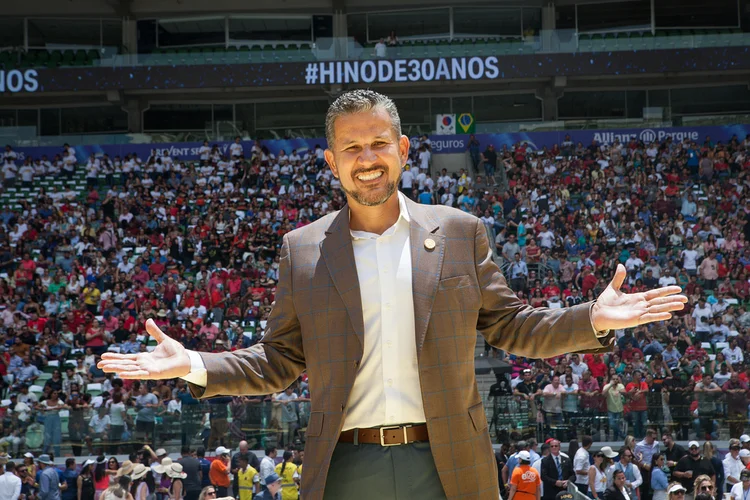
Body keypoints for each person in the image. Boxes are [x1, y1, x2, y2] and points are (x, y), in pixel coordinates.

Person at [98, 89, 687, 500]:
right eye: (352, 149)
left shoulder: (459, 231)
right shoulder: (302, 250)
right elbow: (280, 362)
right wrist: (194, 364)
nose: (368, 159)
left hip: (448, 461)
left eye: (379, 144)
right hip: (345, 465)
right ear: (331, 162)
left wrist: (594, 318)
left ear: (403, 150)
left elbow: (512, 326)